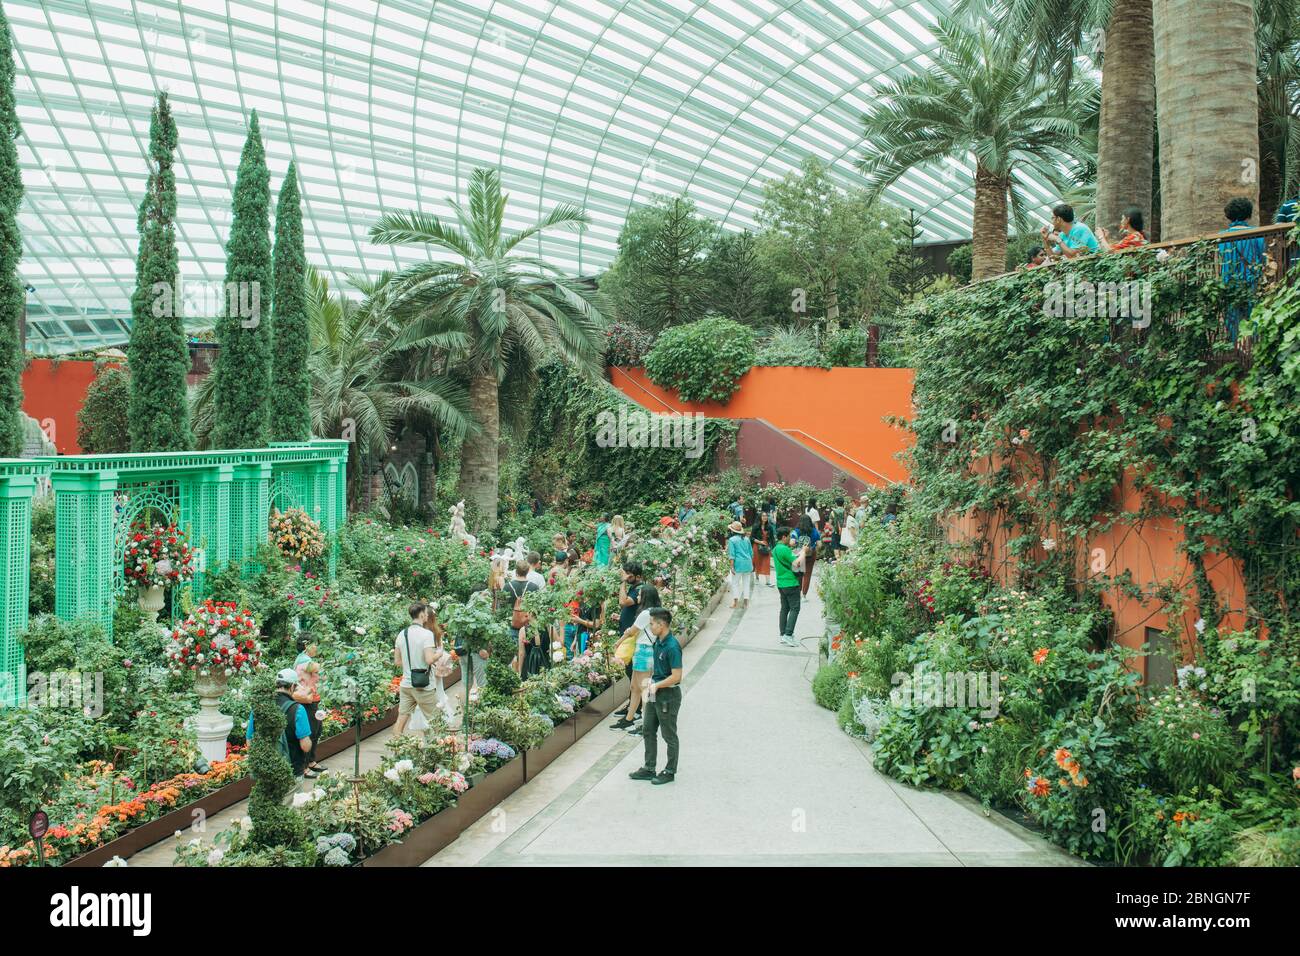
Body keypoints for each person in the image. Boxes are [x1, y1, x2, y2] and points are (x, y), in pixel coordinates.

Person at [628, 608, 683, 785]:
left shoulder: (672, 646)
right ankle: (649, 767)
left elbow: (676, 676)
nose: (650, 626)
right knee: (648, 729)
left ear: (661, 624)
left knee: (669, 734)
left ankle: (669, 770)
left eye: (652, 623)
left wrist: (656, 685)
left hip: (667, 695)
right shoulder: (657, 641)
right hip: (653, 691)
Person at [610, 583, 662, 732]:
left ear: (645, 596)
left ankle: (647, 724)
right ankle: (629, 719)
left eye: (640, 594)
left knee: (644, 689)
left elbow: (632, 631)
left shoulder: (646, 613)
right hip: (647, 652)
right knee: (635, 687)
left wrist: (618, 643)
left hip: (643, 653)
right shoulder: (656, 612)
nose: (637, 596)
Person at [247, 668, 314, 778]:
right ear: (292, 686)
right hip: (291, 771)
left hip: (266, 770)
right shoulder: (298, 709)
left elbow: (250, 742)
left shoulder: (258, 708)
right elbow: (305, 746)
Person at [1219, 196, 1266, 341]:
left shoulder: (1221, 237)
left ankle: (1238, 350)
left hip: (1229, 283)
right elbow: (1263, 259)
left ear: (1229, 215)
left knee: (1233, 322)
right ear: (1248, 214)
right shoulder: (1258, 234)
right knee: (1254, 319)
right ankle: (1255, 351)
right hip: (1252, 282)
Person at [393, 603, 443, 736]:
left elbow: (397, 661)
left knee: (401, 721)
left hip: (406, 685)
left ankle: (397, 750)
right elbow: (429, 660)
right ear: (421, 615)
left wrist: (411, 664)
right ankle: (440, 750)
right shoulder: (426, 635)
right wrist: (439, 654)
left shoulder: (401, 634)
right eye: (426, 613)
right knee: (436, 722)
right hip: (423, 686)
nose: (427, 615)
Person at [610, 561, 644, 722]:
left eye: (629, 574)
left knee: (633, 673)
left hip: (633, 638)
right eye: (625, 573)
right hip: (628, 636)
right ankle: (633, 704)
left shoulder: (639, 589)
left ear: (637, 576)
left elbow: (623, 602)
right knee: (629, 672)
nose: (626, 576)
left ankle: (636, 708)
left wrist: (622, 582)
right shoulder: (634, 588)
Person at [292, 637, 326, 776]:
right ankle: (304, 766)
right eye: (314, 645)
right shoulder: (304, 660)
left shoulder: (305, 659)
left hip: (312, 699)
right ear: (306, 645)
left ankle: (311, 761)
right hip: (306, 700)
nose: (316, 648)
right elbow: (319, 669)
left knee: (316, 731)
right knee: (309, 733)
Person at [504, 559, 543, 678]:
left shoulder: (507, 587)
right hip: (528, 627)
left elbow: (502, 608)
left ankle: (514, 678)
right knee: (526, 656)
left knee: (513, 657)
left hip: (512, 626)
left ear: (516, 571)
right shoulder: (534, 587)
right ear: (527, 571)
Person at [772, 527, 801, 648]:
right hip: (790, 583)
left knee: (784, 608)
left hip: (781, 583)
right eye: (789, 536)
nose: (790, 538)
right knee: (795, 608)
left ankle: (783, 634)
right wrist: (803, 552)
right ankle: (788, 635)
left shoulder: (776, 549)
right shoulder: (784, 549)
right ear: (784, 537)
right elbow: (796, 563)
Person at [726, 520, 754, 609]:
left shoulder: (732, 540)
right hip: (748, 563)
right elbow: (751, 553)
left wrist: (731, 566)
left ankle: (735, 602)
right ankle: (746, 603)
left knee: (735, 583)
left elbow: (732, 555)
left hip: (738, 564)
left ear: (732, 531)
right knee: (746, 583)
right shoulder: (746, 539)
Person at [796, 513, 819, 597]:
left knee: (799, 574)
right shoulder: (814, 531)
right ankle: (804, 595)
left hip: (799, 554)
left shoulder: (797, 531)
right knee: (807, 574)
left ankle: (798, 593)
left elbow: (792, 542)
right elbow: (819, 544)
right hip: (810, 554)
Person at [751, 517, 773, 587]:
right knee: (757, 562)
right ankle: (757, 578)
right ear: (760, 517)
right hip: (757, 545)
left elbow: (772, 538)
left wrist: (772, 547)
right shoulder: (755, 526)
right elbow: (751, 538)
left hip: (766, 546)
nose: (765, 517)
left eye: (766, 516)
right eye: (763, 516)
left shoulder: (769, 527)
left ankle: (768, 581)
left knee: (767, 563)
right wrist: (760, 542)